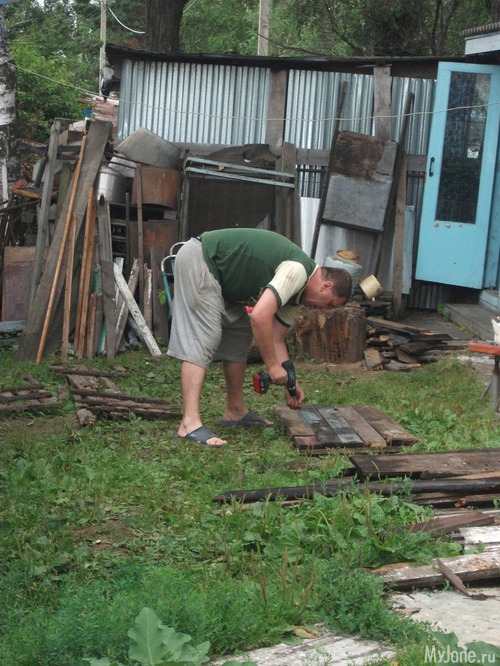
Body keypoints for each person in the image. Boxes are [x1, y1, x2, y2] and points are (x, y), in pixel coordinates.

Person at [167, 228, 352, 447]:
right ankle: (189, 424)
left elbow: (276, 338)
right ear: (326, 286)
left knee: (239, 332)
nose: (322, 310)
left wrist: (291, 383)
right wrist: (272, 366)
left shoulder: (298, 297)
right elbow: (259, 316)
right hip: (202, 258)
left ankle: (235, 411)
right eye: (328, 304)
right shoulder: (298, 270)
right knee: (205, 336)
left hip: (224, 279)